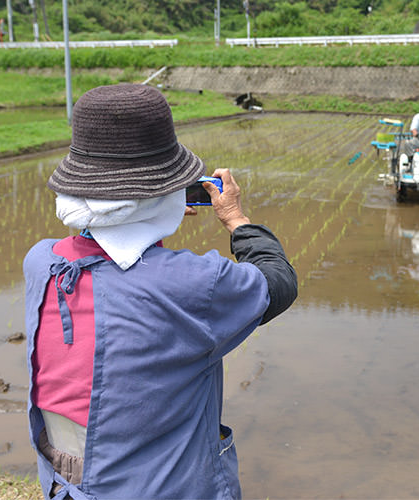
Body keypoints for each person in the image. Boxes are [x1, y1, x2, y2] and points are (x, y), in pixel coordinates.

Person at [23, 83, 297, 500]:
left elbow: (108, 251)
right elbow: (278, 281)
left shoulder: (43, 263)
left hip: (67, 487)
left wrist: (151, 215)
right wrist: (236, 218)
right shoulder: (193, 284)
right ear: (164, 189)